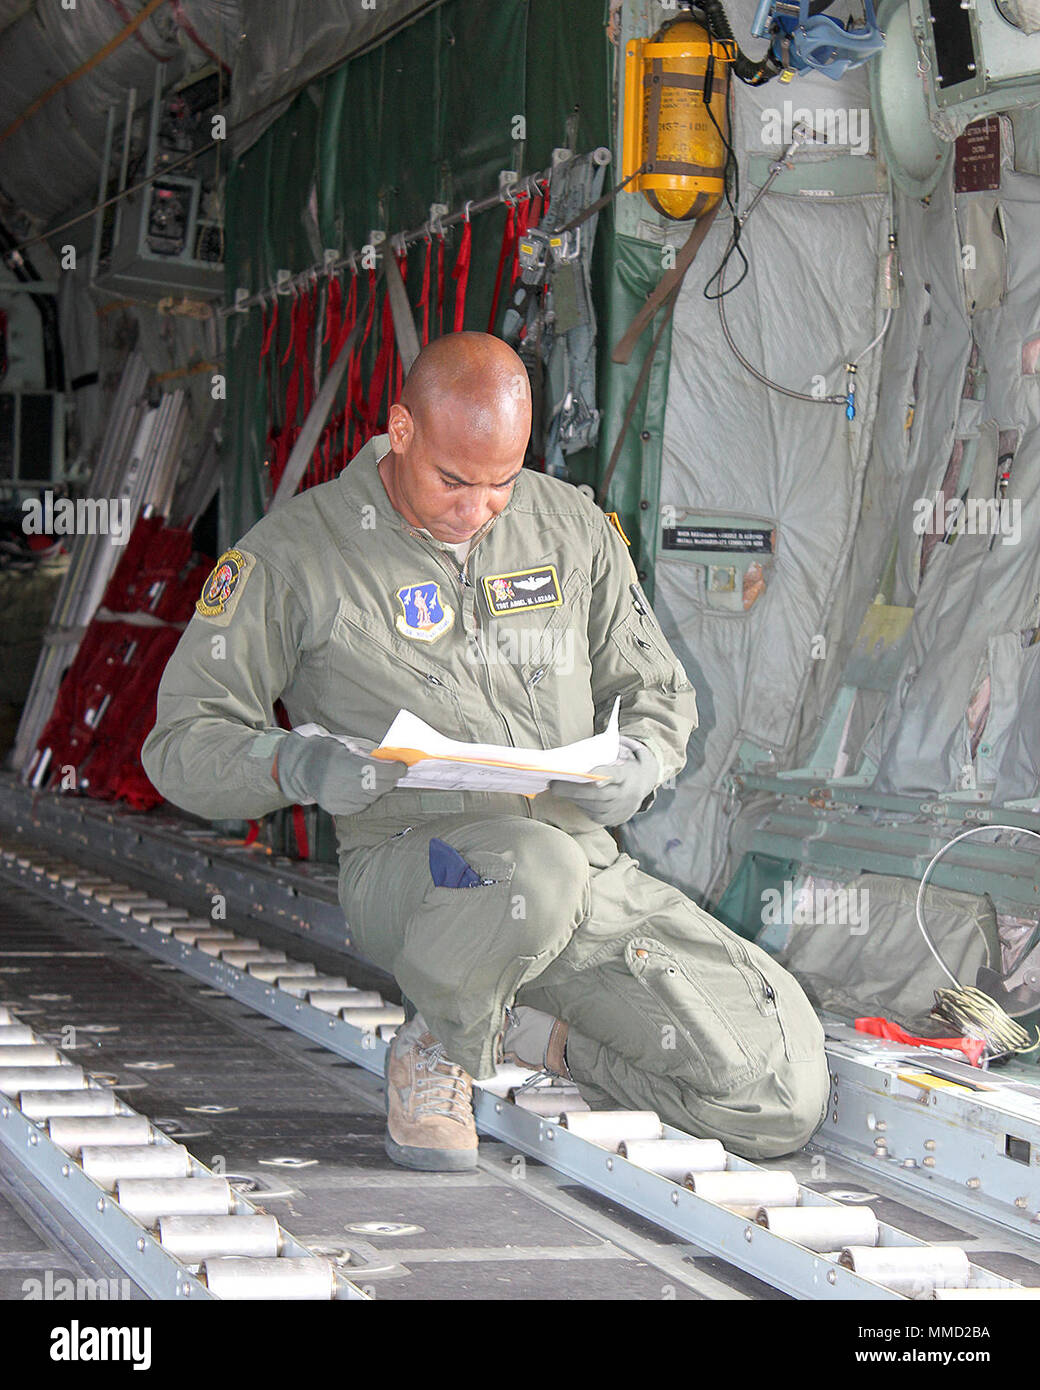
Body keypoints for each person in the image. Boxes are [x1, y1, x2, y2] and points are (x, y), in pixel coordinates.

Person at [142, 331, 828, 1173]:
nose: (477, 510)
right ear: (401, 431)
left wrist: (644, 761)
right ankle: (437, 1044)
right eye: (453, 482)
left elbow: (656, 691)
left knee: (778, 1096)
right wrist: (300, 766)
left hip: (582, 873)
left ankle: (526, 1030)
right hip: (421, 874)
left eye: (501, 484)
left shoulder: (570, 526)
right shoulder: (297, 554)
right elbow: (180, 745)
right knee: (532, 872)